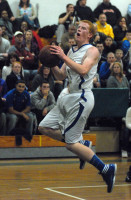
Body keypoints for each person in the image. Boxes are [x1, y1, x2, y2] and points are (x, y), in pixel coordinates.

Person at [38, 20, 117, 193]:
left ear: (89, 35)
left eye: (83, 28)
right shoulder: (71, 50)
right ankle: (82, 143)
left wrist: (62, 56)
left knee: (70, 144)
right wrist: (51, 62)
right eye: (78, 27)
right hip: (68, 95)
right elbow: (60, 75)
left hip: (81, 98)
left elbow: (83, 70)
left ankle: (106, 169)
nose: (78, 29)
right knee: (43, 127)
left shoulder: (92, 50)